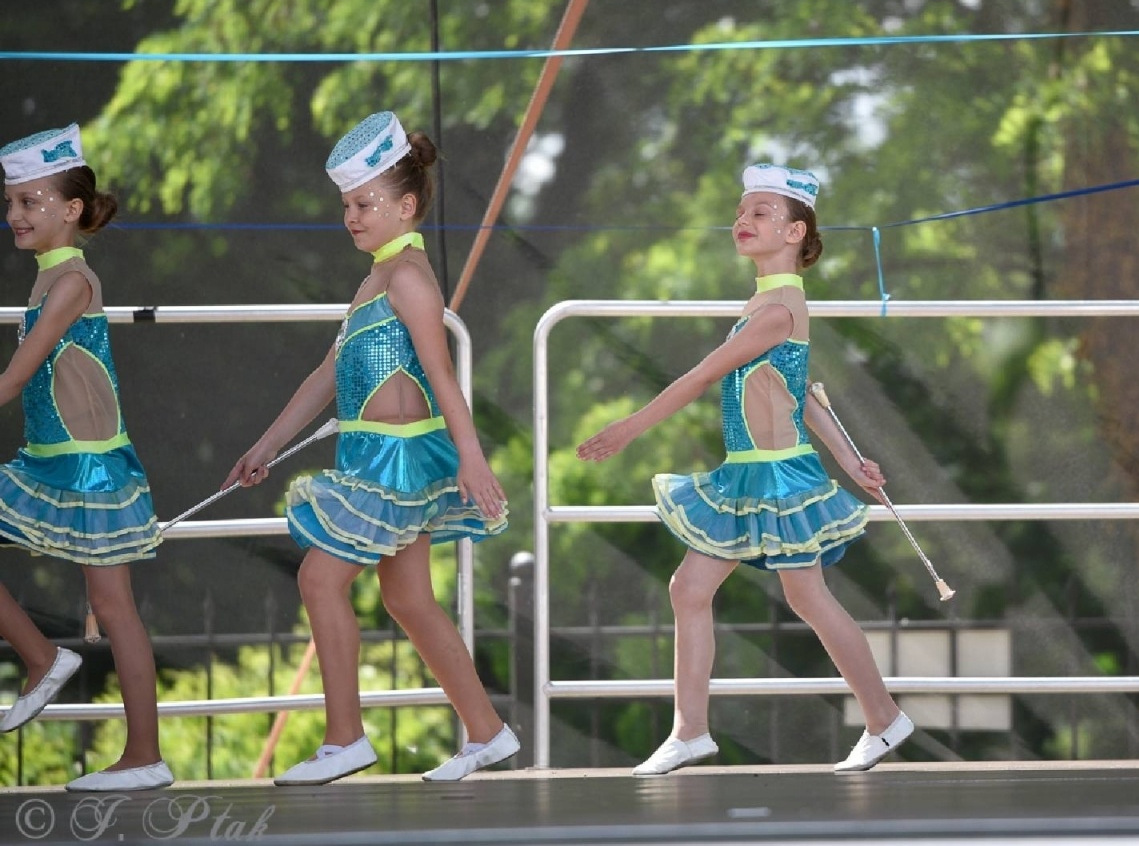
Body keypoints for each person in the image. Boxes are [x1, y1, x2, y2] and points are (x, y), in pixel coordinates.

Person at [578, 163, 913, 775]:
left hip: (778, 477)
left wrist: (629, 427)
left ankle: (885, 718)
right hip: (749, 473)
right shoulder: (768, 302)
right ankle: (691, 731)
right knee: (692, 589)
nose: (744, 219)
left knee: (805, 596)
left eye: (761, 212)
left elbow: (704, 374)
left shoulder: (777, 309)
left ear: (794, 233)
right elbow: (801, 394)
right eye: (742, 210)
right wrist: (849, 459)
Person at [225, 111, 518, 784]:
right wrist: (266, 445)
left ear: (406, 205)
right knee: (409, 600)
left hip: (395, 462)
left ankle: (345, 738)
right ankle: (487, 731)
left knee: (319, 578)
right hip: (369, 459)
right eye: (347, 206)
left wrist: (472, 458)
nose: (351, 217)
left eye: (364, 203)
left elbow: (442, 376)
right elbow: (325, 376)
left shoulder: (409, 279)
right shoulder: (374, 282)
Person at [0, 124, 172, 791]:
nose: (15, 215)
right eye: (11, 202)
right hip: (48, 460)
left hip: (91, 469)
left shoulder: (71, 280)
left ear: (71, 211)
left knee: (115, 605)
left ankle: (144, 755)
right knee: (113, 603)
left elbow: (16, 377)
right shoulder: (50, 281)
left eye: (30, 202)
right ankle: (43, 658)